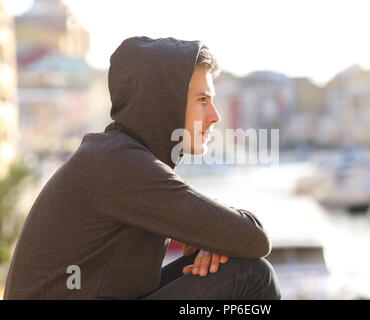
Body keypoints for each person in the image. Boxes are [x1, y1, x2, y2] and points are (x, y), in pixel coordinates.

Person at [4, 36, 281, 300]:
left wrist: (217, 234)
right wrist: (221, 231)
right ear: (164, 102)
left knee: (224, 263)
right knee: (253, 275)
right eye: (202, 100)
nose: (215, 116)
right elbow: (255, 239)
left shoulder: (117, 155)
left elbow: (240, 238)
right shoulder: (121, 165)